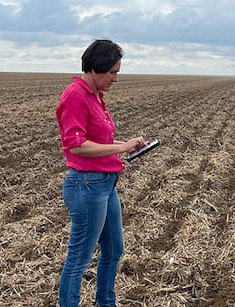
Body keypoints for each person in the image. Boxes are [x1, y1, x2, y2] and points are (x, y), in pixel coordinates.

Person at [56, 39, 145, 307]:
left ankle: (106, 302)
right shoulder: (75, 95)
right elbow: (76, 145)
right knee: (79, 258)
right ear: (96, 68)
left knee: (114, 249)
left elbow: (97, 142)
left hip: (105, 184)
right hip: (86, 185)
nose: (116, 78)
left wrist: (122, 150)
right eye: (113, 72)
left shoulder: (95, 96)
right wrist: (122, 146)